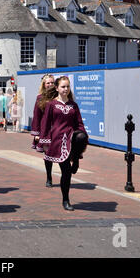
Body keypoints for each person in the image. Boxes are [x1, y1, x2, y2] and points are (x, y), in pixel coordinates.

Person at [38, 76, 88, 211]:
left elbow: (79, 123)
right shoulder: (51, 105)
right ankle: (66, 200)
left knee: (82, 137)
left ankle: (76, 160)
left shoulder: (73, 105)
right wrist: (45, 141)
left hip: (72, 139)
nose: (66, 89)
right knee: (66, 172)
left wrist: (83, 137)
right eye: (63, 87)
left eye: (67, 86)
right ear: (57, 88)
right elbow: (46, 124)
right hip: (58, 141)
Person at [31, 74, 55, 187]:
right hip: (45, 130)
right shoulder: (40, 98)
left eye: (52, 82)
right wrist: (36, 133)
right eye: (48, 83)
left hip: (58, 129)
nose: (50, 84)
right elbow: (37, 116)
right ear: (44, 85)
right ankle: (49, 177)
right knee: (48, 154)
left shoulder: (59, 96)